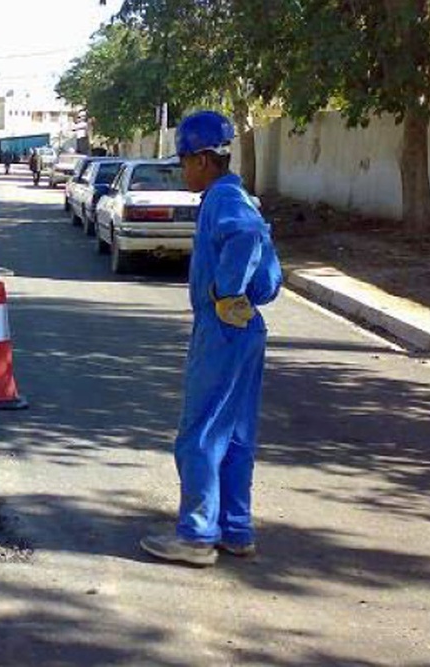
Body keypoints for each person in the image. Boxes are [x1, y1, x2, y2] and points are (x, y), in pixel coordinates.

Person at [140, 110, 282, 567]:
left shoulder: (223, 199)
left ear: (203, 158)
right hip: (245, 328)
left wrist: (226, 290)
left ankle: (197, 535)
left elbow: (243, 238)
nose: (182, 170)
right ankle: (235, 529)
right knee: (236, 435)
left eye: (183, 161)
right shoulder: (234, 195)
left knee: (199, 432)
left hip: (223, 327)